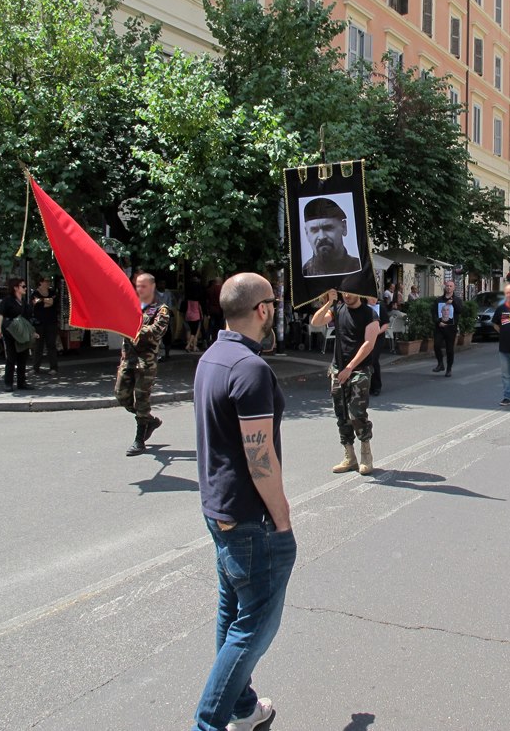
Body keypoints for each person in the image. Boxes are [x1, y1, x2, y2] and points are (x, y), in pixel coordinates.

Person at [192, 272, 296, 731]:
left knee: (232, 614)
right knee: (254, 627)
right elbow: (260, 458)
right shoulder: (250, 368)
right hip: (251, 518)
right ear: (262, 310)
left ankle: (242, 708)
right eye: (273, 303)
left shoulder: (212, 357)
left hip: (219, 510)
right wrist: (283, 517)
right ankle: (208, 724)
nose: (275, 310)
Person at [310, 288, 381, 475]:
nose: (347, 295)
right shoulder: (338, 309)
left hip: (358, 371)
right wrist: (328, 302)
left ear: (359, 292)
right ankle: (349, 456)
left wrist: (349, 368)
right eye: (344, 293)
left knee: (357, 413)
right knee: (341, 414)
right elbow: (315, 321)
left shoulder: (369, 314)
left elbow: (369, 344)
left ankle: (366, 453)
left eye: (350, 292)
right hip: (337, 370)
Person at [115, 273, 170, 456]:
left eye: (144, 286)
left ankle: (139, 440)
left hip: (145, 363)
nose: (139, 289)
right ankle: (149, 420)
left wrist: (134, 327)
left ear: (152, 287)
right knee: (121, 395)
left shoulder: (160, 310)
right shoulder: (130, 307)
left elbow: (156, 332)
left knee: (142, 399)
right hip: (127, 360)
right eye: (137, 285)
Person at [301, 198, 361, 277]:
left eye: (328, 228)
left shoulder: (359, 268)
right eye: (314, 230)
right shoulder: (303, 274)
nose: (322, 237)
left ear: (344, 227)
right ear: (307, 234)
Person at [0, 277, 34, 391]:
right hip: (10, 332)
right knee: (11, 357)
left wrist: (32, 332)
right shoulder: (8, 300)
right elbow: (0, 314)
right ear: (15, 288)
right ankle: (8, 383)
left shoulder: (23, 302)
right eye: (23, 286)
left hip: (22, 333)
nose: (25, 288)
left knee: (23, 357)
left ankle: (22, 382)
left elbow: (27, 319)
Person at [432, 280, 462, 377]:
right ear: (445, 287)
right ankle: (440, 363)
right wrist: (438, 322)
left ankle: (449, 368)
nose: (448, 288)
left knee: (449, 349)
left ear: (454, 288)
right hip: (440, 327)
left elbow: (460, 310)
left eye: (450, 286)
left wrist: (453, 303)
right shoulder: (439, 300)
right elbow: (434, 313)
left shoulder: (457, 300)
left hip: (451, 328)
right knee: (436, 345)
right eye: (447, 286)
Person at [30, 276, 59, 375]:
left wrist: (42, 300)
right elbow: (36, 303)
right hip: (39, 323)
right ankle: (35, 367)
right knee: (38, 345)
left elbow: (52, 302)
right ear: (40, 282)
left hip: (51, 322)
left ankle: (53, 367)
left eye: (49, 281)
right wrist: (46, 301)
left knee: (51, 345)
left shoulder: (53, 292)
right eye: (46, 281)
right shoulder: (34, 293)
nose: (48, 283)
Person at [368, 296, 389, 396]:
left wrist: (377, 332)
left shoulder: (381, 307)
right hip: (365, 338)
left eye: (374, 298)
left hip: (378, 338)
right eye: (370, 298)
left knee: (373, 359)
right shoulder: (363, 307)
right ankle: (367, 385)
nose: (373, 300)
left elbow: (386, 324)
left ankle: (376, 386)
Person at [155, 278, 175, 361]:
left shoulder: (168, 293)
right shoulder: (154, 293)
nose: (162, 285)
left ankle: (167, 354)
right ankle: (157, 355)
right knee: (157, 336)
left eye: (163, 283)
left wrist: (168, 312)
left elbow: (170, 304)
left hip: (166, 317)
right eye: (160, 283)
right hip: (157, 317)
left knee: (168, 336)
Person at [183, 275, 204, 352]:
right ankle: (189, 346)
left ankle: (190, 345)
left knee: (190, 331)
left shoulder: (188, 299)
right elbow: (200, 308)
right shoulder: (198, 299)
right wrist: (202, 316)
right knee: (194, 332)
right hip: (196, 316)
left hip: (188, 315)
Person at [206, 276, 225, 348]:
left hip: (211, 311)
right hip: (220, 311)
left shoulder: (210, 290)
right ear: (220, 281)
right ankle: (218, 341)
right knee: (219, 327)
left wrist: (208, 312)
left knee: (211, 327)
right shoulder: (222, 290)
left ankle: (209, 341)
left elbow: (207, 302)